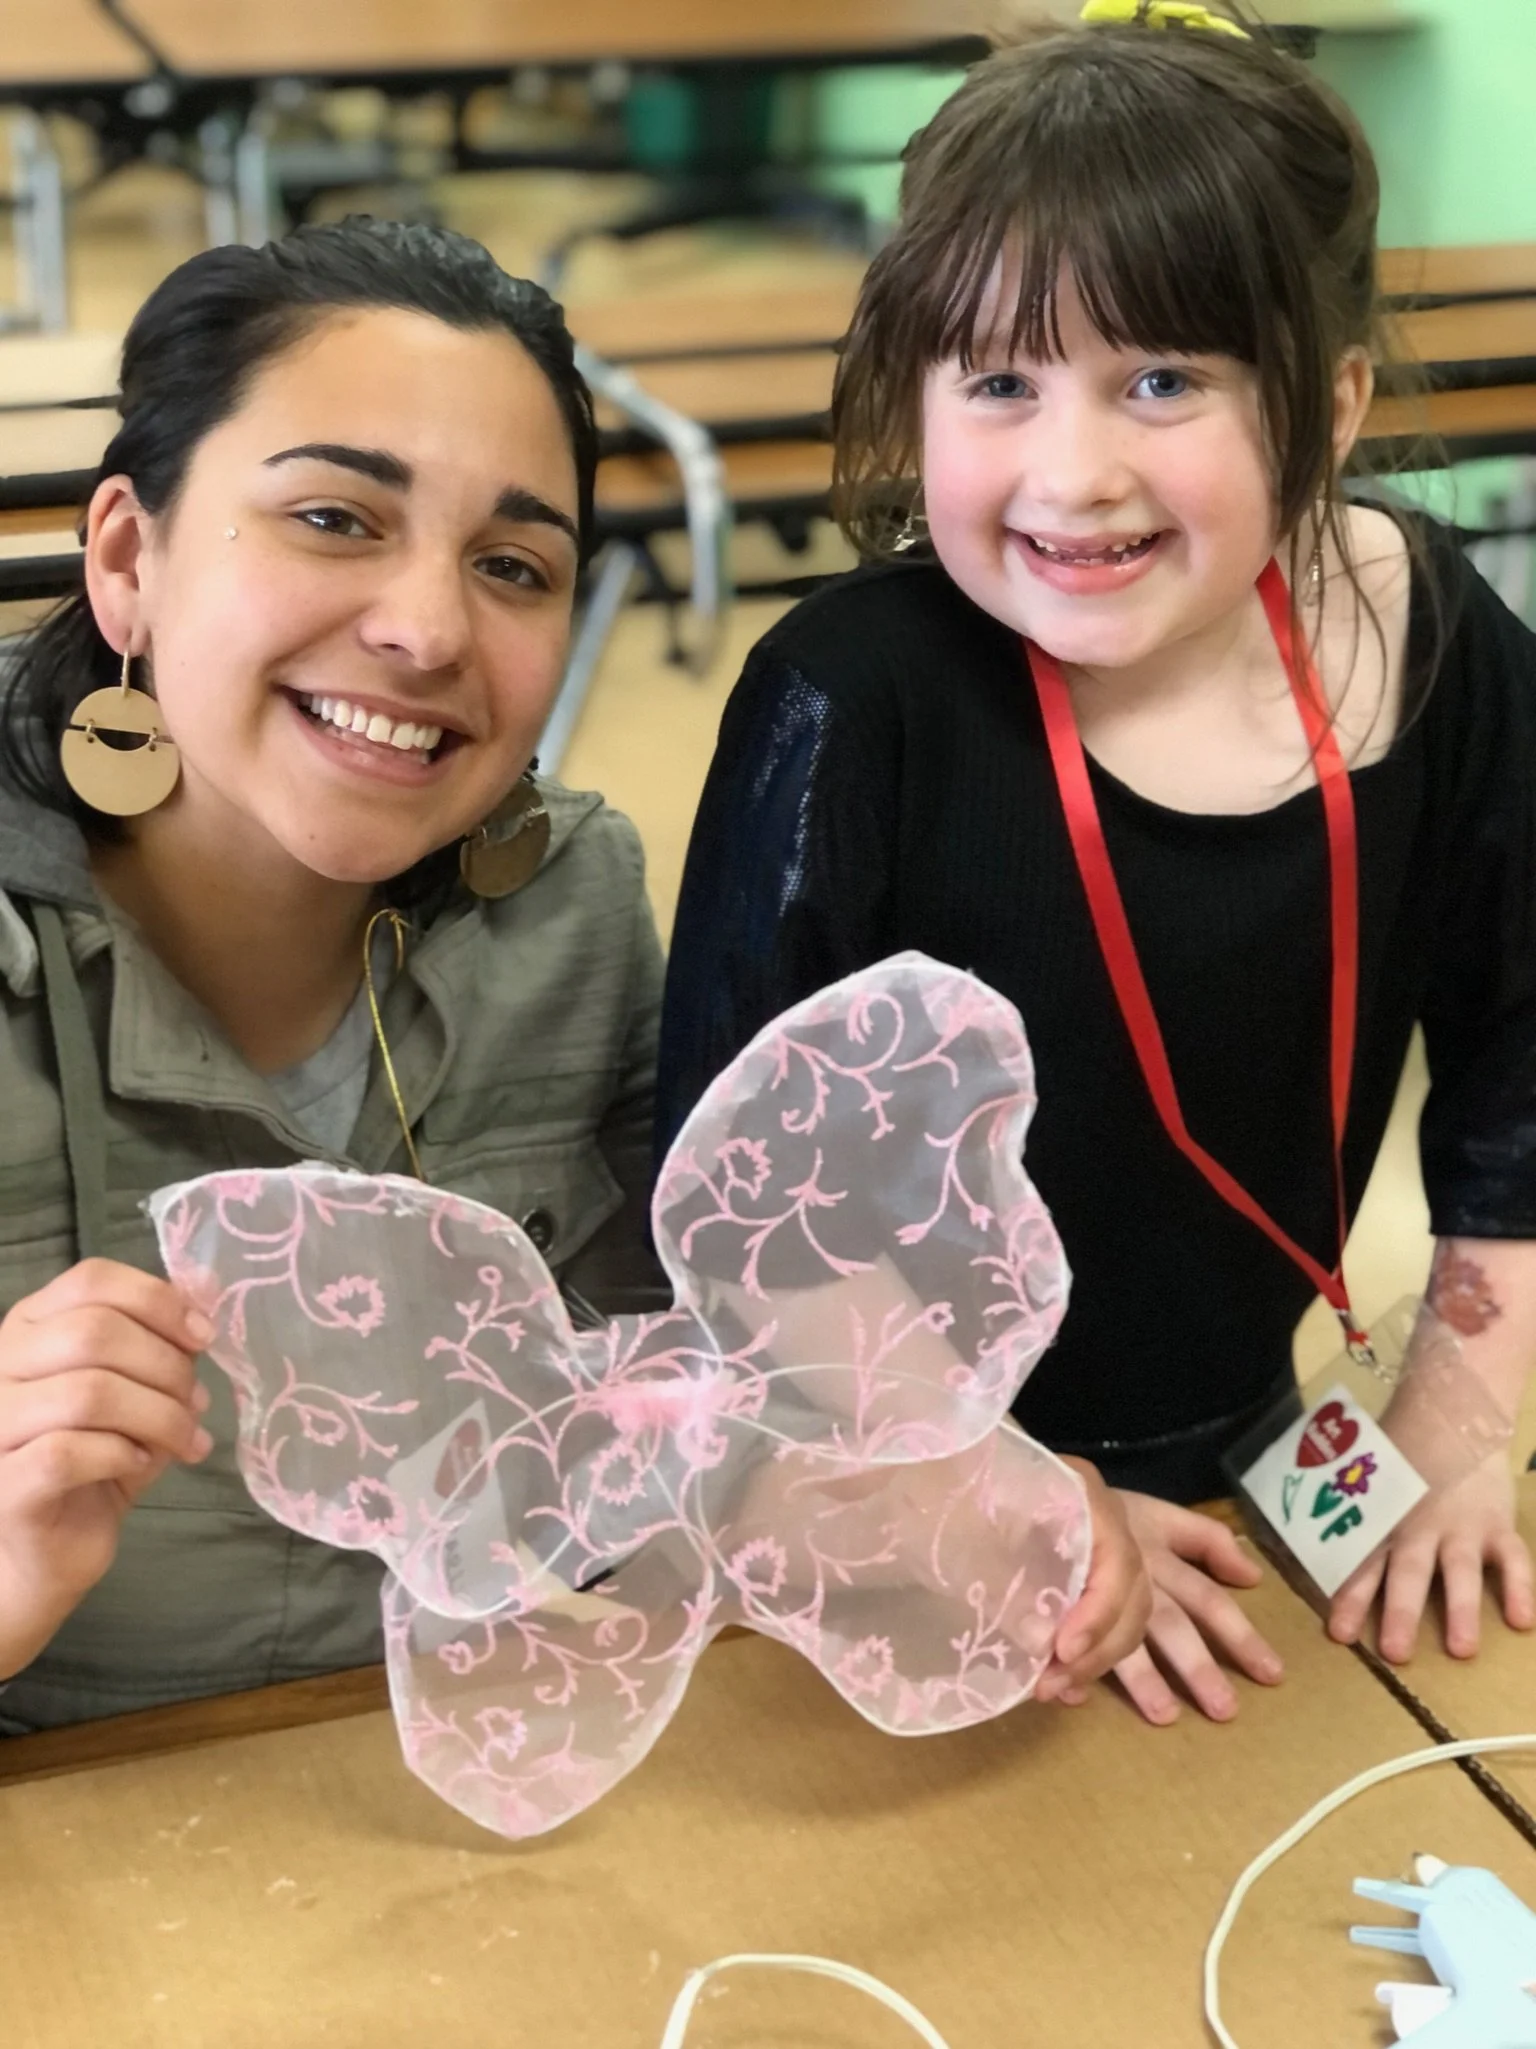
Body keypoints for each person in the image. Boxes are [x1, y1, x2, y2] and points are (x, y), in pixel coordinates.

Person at [0, 219, 1146, 1735]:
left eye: (513, 565)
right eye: (334, 518)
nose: (426, 629)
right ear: (126, 558)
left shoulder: (566, 905)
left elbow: (673, 1418)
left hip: (431, 1790)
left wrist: (975, 1508)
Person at [657, 9, 1536, 1725]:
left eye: (1164, 382)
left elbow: (1523, 1040)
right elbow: (738, 1211)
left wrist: (1456, 1415)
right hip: (891, 1493)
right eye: (999, 382)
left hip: (1261, 1442)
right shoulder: (851, 700)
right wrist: (1006, 1504)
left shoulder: (1427, 628)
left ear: (1332, 405)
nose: (1075, 473)